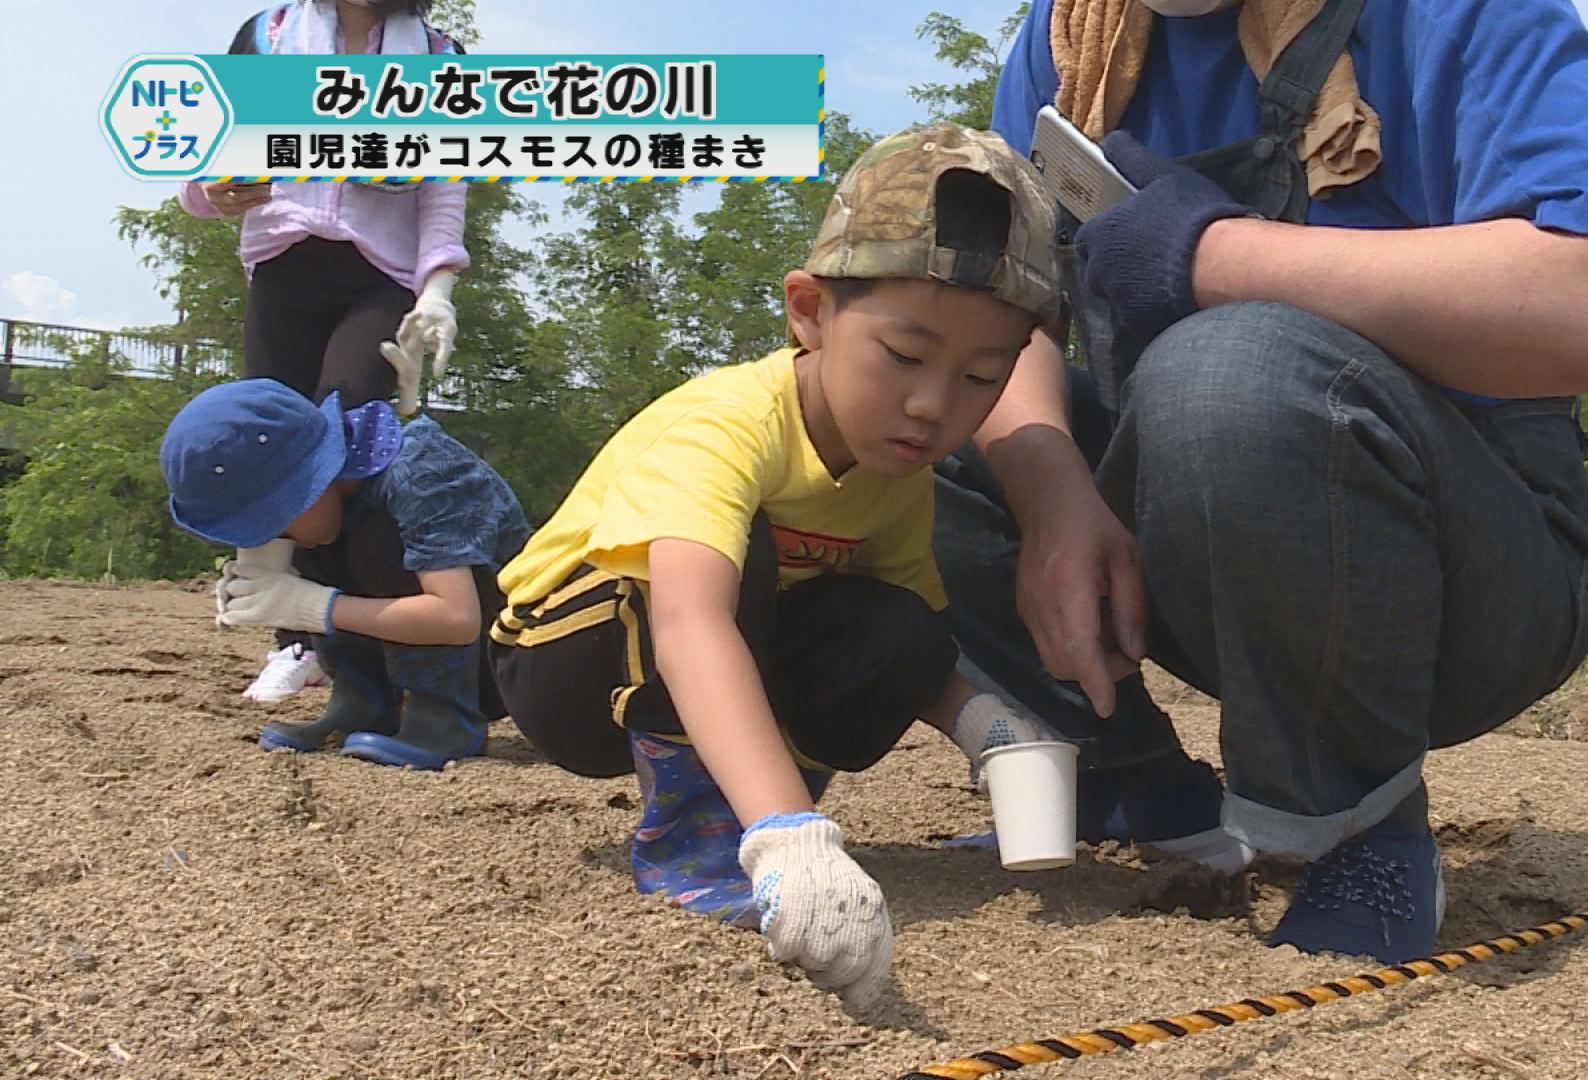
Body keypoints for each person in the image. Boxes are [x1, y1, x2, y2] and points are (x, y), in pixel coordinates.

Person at [932, 0, 1588, 963]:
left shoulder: (1456, 14)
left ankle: (1354, 827)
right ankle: (1128, 784)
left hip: (1477, 570)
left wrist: (1213, 256)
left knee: (1226, 370)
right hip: (1193, 530)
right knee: (915, 408)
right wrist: (1052, 498)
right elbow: (1009, 310)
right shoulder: (1071, 36)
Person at [488, 124, 1062, 1007]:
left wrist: (997, 734)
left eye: (983, 377)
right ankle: (716, 831)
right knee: (723, 557)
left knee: (901, 627)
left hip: (701, 663)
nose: (931, 404)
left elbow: (908, 655)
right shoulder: (726, 427)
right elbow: (689, 624)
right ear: (810, 312)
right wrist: (790, 836)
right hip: (567, 661)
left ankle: (759, 813)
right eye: (904, 357)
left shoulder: (892, 473)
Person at [179, 0, 470, 704]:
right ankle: (295, 641)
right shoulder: (266, 38)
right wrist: (213, 192)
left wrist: (438, 291)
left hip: (381, 276)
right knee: (270, 443)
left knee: (347, 428)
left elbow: (443, 186)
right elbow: (201, 164)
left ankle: (352, 632)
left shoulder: (438, 57)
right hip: (281, 268)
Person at [160, 378, 528, 770]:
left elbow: (458, 619)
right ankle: (362, 703)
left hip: (500, 657)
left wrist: (312, 606)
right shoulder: (335, 497)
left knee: (373, 540)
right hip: (434, 640)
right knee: (315, 541)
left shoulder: (419, 472)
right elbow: (306, 535)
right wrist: (262, 582)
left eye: (272, 520)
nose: (271, 536)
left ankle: (444, 720)